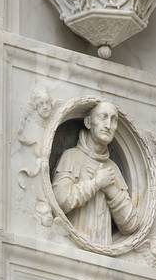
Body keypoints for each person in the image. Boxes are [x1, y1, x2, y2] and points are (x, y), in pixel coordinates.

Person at [52, 100, 140, 247]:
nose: (108, 125)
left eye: (113, 120)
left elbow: (131, 224)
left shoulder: (113, 168)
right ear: (88, 122)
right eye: (103, 117)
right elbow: (60, 201)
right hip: (72, 247)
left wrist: (110, 189)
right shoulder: (71, 157)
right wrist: (95, 184)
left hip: (103, 249)